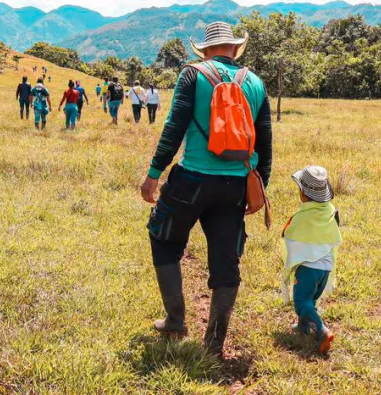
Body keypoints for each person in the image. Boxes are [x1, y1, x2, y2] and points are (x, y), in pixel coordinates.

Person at [140, 22, 272, 357]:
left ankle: (175, 320)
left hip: (192, 180)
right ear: (234, 49)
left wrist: (154, 174)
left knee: (163, 237)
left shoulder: (192, 75)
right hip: (235, 186)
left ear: (206, 50)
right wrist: (260, 189)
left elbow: (174, 127)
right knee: (226, 261)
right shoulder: (255, 82)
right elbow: (265, 144)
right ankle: (214, 344)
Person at [280, 165, 341, 355]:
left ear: (304, 194)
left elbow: (288, 234)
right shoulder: (330, 211)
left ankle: (321, 331)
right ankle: (303, 328)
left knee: (301, 302)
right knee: (311, 299)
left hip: (307, 269)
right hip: (325, 268)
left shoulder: (303, 216)